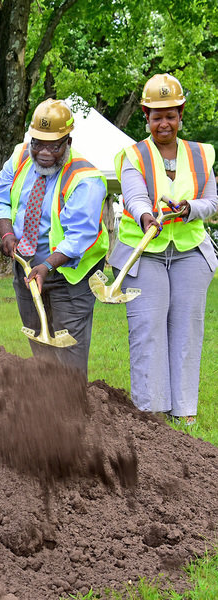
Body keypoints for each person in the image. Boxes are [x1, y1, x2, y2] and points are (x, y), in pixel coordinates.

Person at [112, 74, 216, 423]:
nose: (164, 123)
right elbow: (135, 194)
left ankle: (184, 413)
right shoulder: (132, 154)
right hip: (144, 253)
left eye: (170, 114)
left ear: (181, 113)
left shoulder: (201, 154)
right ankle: (151, 413)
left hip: (190, 251)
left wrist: (189, 209)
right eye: (156, 115)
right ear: (146, 115)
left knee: (188, 328)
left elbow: (212, 202)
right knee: (148, 327)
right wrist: (145, 217)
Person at [0, 99, 108, 377]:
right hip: (28, 268)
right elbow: (0, 198)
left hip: (70, 275)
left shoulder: (85, 177)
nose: (43, 153)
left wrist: (47, 266)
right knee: (39, 342)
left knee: (69, 349)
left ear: (68, 141)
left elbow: (80, 237)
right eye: (37, 143)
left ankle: (73, 409)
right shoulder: (20, 156)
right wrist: (6, 233)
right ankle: (47, 409)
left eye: (54, 146)